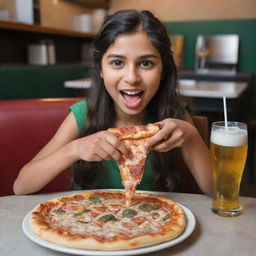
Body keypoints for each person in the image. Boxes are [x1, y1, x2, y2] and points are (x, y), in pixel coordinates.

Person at [13, 9, 213, 196]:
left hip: (153, 220)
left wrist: (192, 136)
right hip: (86, 222)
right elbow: (21, 186)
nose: (132, 77)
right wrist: (74, 149)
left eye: (146, 63)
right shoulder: (84, 114)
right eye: (117, 63)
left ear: (163, 71)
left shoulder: (174, 115)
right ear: (101, 69)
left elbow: (218, 192)